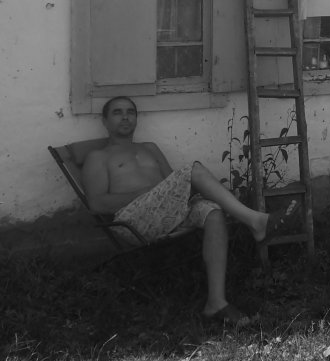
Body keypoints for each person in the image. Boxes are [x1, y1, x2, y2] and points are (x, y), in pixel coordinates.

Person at [82, 96, 296, 326]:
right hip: (132, 221)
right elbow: (97, 204)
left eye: (130, 112)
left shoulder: (149, 148)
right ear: (104, 121)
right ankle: (256, 222)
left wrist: (180, 192)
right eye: (117, 112)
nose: (125, 117)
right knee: (192, 170)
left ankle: (216, 302)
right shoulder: (98, 157)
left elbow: (171, 184)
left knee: (211, 211)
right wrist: (146, 192)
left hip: (165, 213)